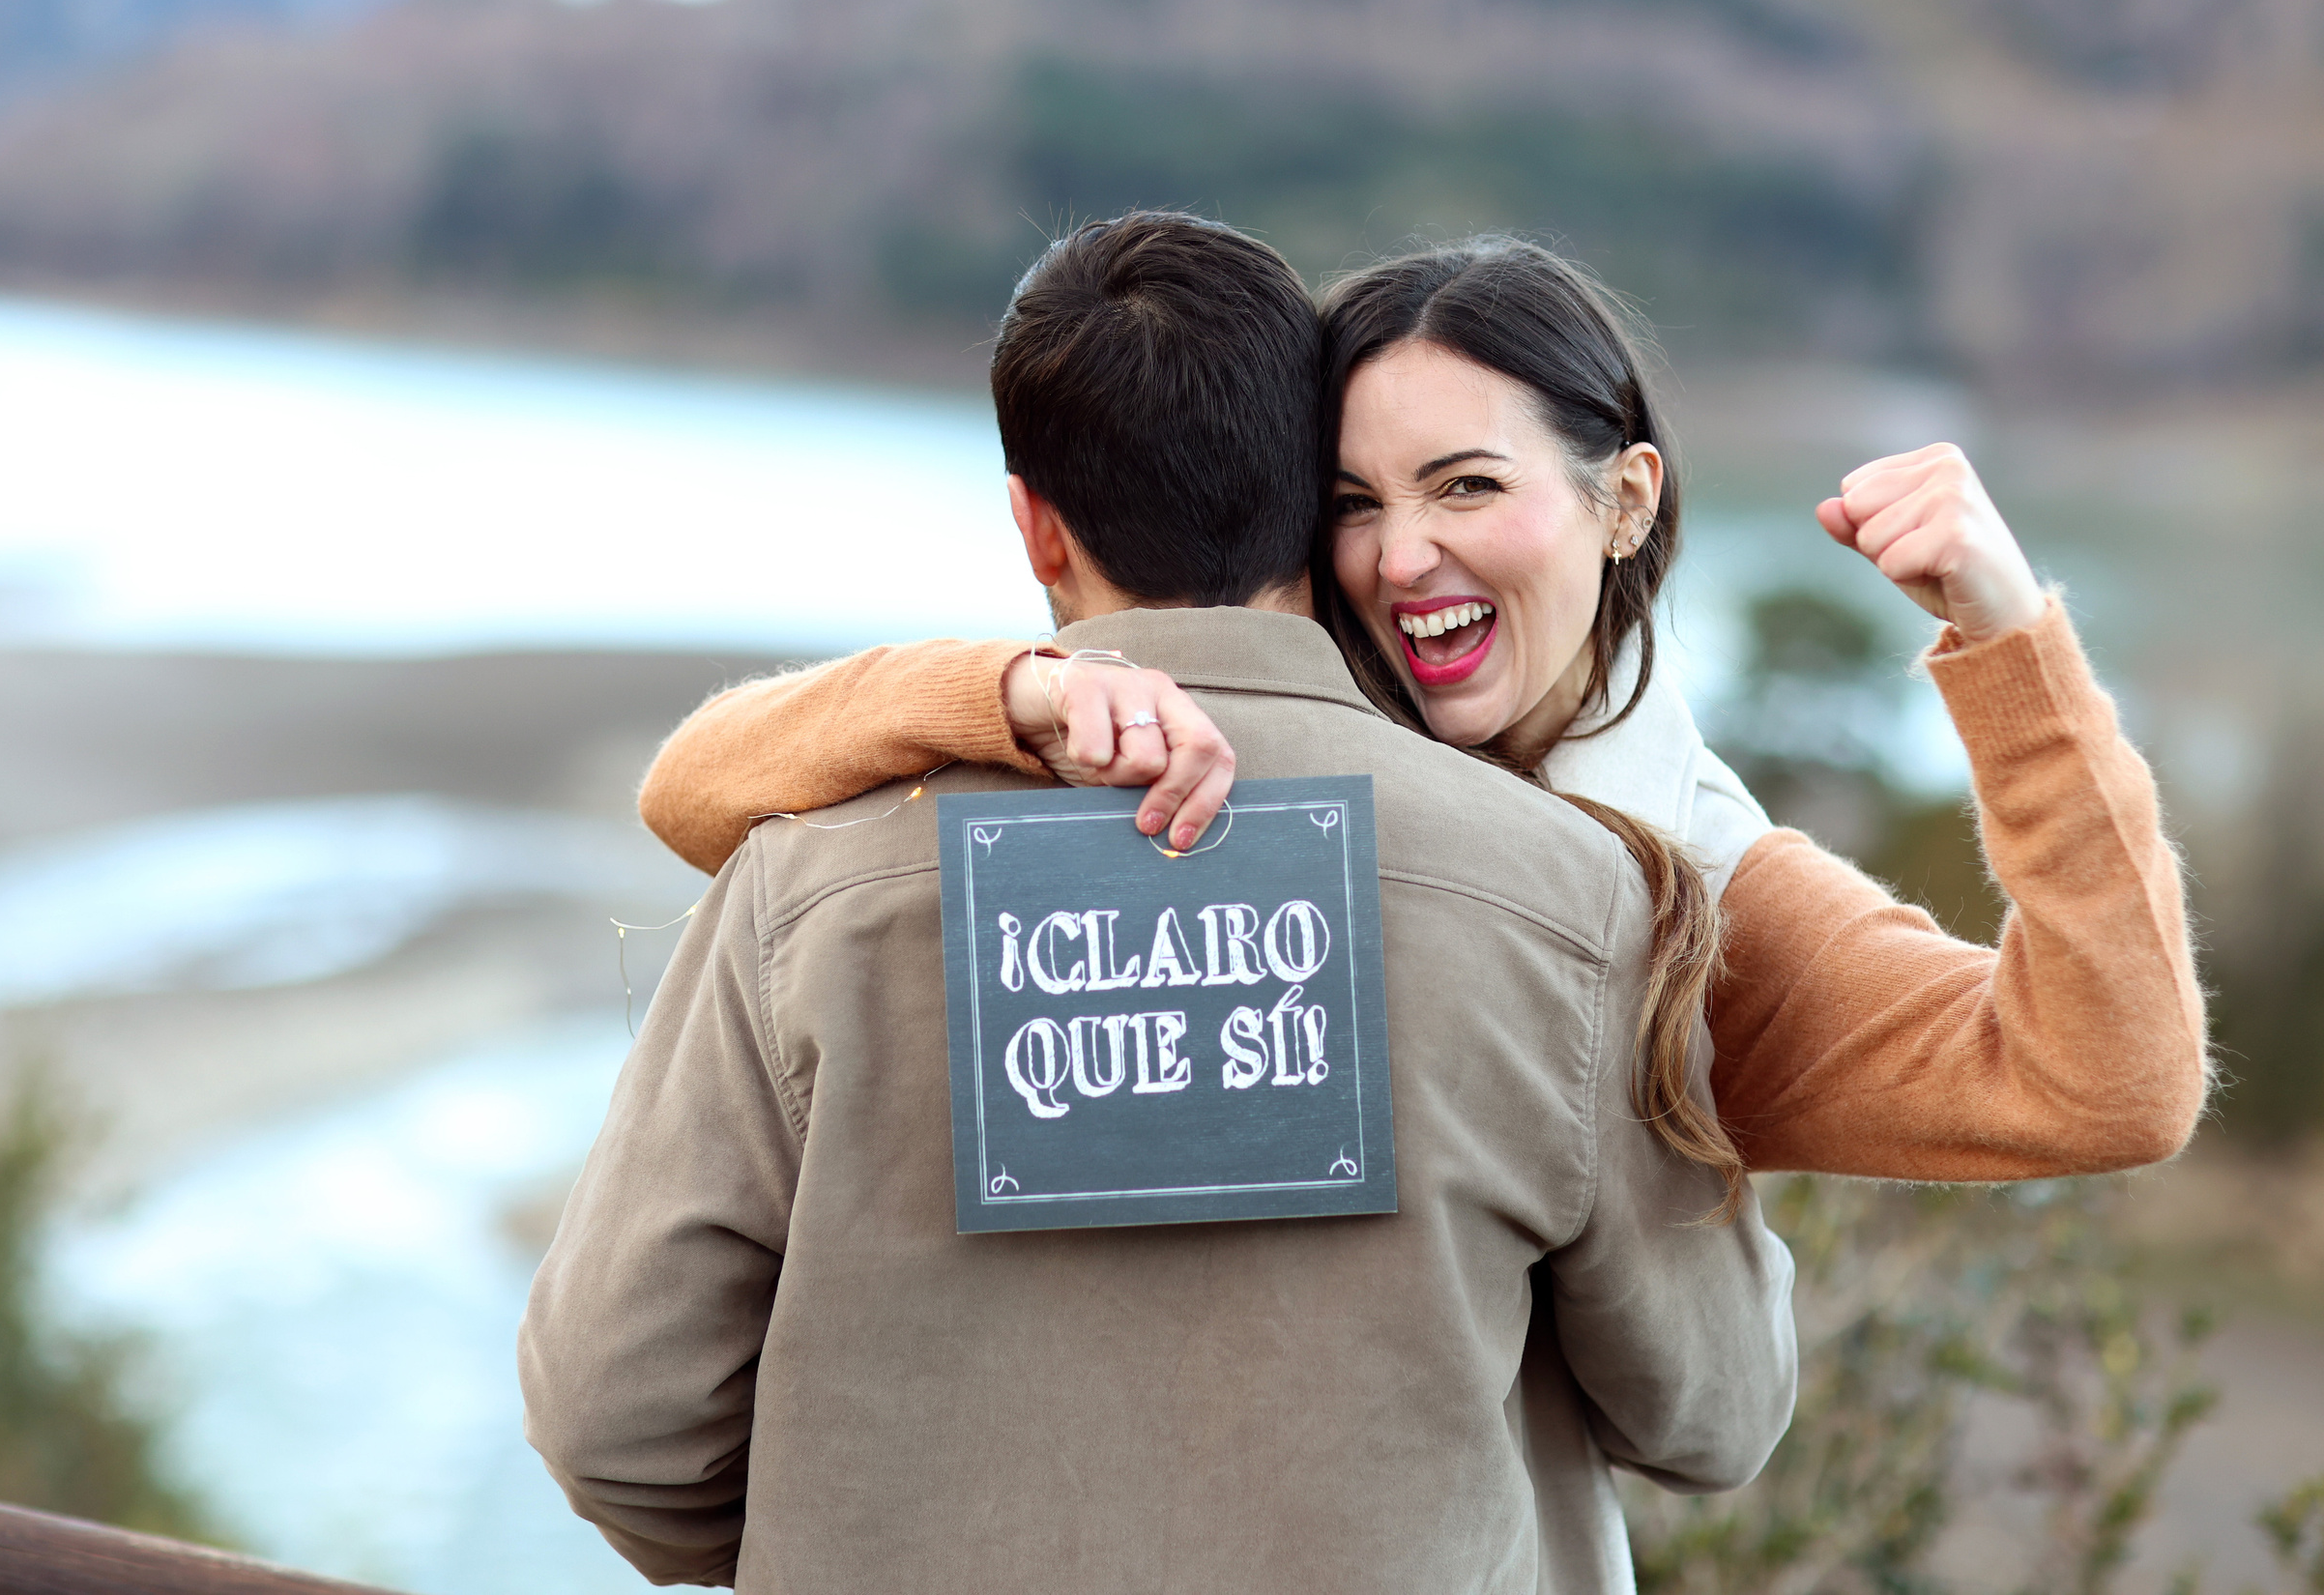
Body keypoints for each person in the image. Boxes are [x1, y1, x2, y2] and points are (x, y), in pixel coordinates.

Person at [633, 228, 2209, 1587]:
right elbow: (702, 786)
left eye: (1467, 485)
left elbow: (2103, 1081)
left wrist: (2008, 643)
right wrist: (999, 687)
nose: (1402, 555)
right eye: (1352, 500)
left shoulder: (1685, 885)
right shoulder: (1167, 751)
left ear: (1626, 499)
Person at [520, 213, 1797, 1592]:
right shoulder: (1582, 899)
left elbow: (612, 1411)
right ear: (1309, 495)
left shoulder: (805, 881)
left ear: (1035, 524)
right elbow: (1714, 1414)